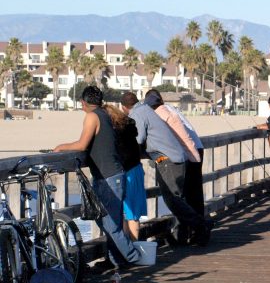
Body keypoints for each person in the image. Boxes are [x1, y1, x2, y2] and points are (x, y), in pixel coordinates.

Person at [53, 86, 140, 268]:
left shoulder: (92, 116)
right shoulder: (106, 114)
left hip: (108, 176)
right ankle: (117, 261)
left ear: (83, 103)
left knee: (109, 223)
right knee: (111, 221)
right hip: (114, 174)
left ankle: (134, 257)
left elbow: (83, 144)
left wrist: (61, 147)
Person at [121, 92, 211, 246]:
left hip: (168, 161)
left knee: (173, 200)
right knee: (178, 199)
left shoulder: (137, 114)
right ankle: (182, 235)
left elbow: (139, 139)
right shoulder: (147, 110)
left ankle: (201, 224)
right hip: (178, 158)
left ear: (123, 107)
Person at [145, 89, 205, 222]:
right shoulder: (170, 108)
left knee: (181, 195)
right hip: (197, 148)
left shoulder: (160, 113)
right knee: (194, 194)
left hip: (188, 152)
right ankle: (197, 229)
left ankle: (197, 227)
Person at [104, 104, 147, 241]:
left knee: (127, 213)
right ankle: (132, 247)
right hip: (136, 169)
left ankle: (131, 247)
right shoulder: (128, 128)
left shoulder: (114, 132)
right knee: (131, 213)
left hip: (127, 171)